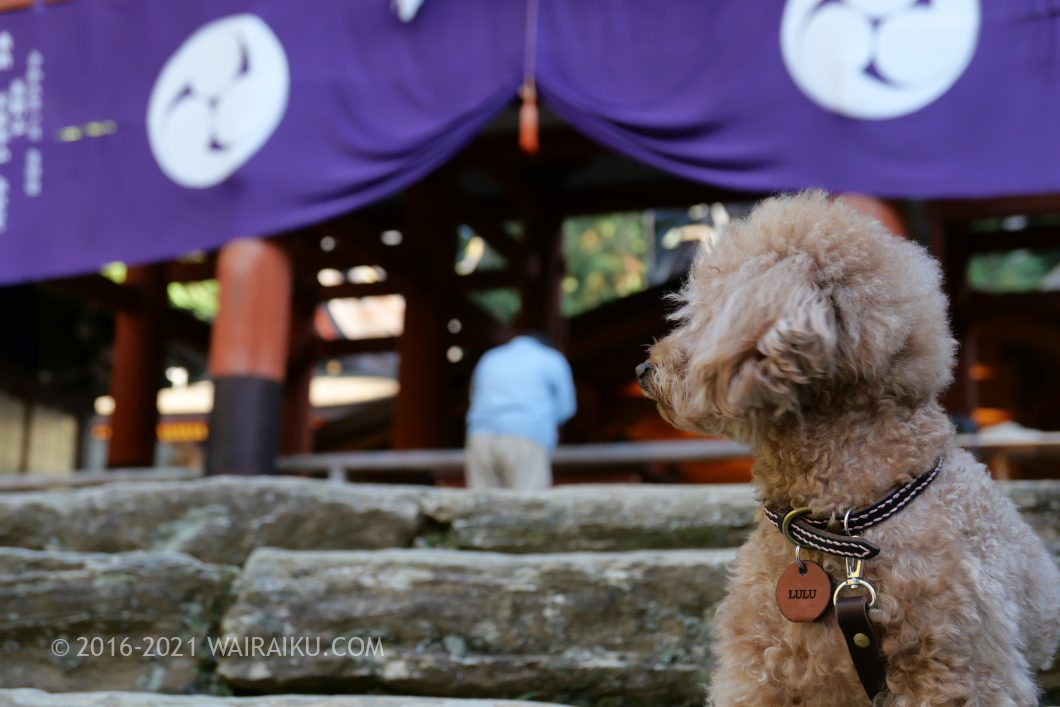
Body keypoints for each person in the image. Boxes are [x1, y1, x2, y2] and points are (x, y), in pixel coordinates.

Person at [465, 331, 576, 489]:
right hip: (527, 437)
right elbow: (566, 408)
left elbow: (473, 396)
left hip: (480, 436)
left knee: (482, 506)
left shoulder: (490, 357)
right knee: (529, 507)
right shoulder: (551, 359)